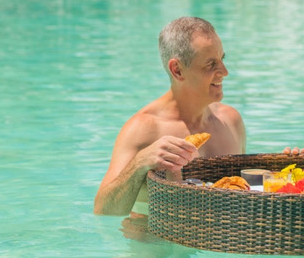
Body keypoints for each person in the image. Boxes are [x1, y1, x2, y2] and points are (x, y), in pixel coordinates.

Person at [94, 16, 246, 217]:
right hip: (154, 246)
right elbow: (103, 210)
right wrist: (140, 162)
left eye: (222, 59)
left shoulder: (231, 121)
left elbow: (247, 192)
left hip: (217, 244)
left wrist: (291, 175)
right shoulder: (145, 128)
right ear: (177, 70)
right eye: (210, 64)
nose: (224, 72)